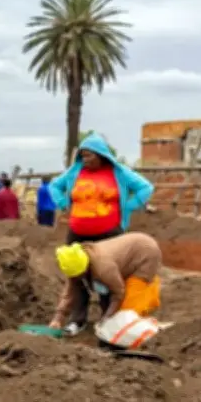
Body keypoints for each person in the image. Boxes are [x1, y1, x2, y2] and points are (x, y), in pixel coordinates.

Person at [49, 133, 154, 336]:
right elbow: (55, 186)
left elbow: (146, 187)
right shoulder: (75, 172)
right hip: (77, 235)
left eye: (89, 156)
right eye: (83, 155)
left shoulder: (118, 173)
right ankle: (76, 320)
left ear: (101, 155)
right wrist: (63, 203)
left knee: (106, 276)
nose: (85, 159)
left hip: (109, 236)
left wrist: (129, 206)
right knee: (77, 277)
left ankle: (109, 319)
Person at [49, 233, 162, 334]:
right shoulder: (74, 262)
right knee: (113, 308)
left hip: (145, 254)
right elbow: (70, 292)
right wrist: (58, 318)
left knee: (128, 311)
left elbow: (118, 293)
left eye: (79, 275)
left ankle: (137, 332)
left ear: (85, 267)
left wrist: (107, 318)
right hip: (125, 258)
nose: (77, 278)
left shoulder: (104, 268)